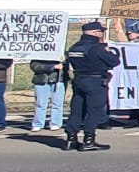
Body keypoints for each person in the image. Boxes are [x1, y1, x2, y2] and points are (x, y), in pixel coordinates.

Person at [62, 21, 119, 151]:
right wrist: (108, 51)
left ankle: (71, 139)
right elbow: (114, 61)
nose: (102, 34)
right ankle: (88, 140)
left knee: (76, 111)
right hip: (95, 80)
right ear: (95, 33)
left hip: (78, 80)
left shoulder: (74, 47)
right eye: (101, 32)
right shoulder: (97, 48)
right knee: (94, 111)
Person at [29, 51, 65, 133]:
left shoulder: (61, 52)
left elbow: (67, 65)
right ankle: (38, 124)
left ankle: (55, 123)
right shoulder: (38, 53)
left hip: (58, 79)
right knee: (40, 103)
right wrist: (52, 67)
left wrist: (63, 63)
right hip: (41, 80)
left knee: (57, 103)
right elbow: (34, 66)